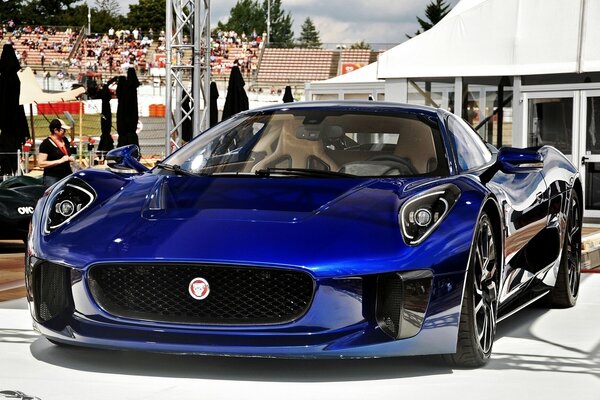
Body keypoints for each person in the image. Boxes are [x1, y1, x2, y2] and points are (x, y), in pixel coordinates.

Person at [38, 119, 75, 186]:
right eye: (63, 130)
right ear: (55, 130)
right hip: (52, 177)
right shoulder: (46, 144)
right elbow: (41, 164)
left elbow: (66, 154)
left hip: (67, 175)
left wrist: (70, 158)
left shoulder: (65, 140)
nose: (65, 131)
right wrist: (60, 161)